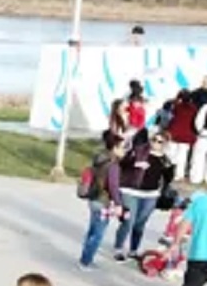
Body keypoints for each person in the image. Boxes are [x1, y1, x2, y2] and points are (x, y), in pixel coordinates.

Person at [111, 131, 171, 262]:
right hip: (131, 191)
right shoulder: (139, 152)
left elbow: (167, 179)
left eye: (160, 141)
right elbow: (123, 164)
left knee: (140, 224)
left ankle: (133, 250)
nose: (155, 143)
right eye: (154, 140)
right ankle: (118, 248)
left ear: (165, 144)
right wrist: (135, 164)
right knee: (128, 221)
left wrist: (169, 174)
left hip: (150, 195)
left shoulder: (165, 159)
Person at [78, 131, 123, 269]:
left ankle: (85, 257)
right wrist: (119, 203)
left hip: (93, 198)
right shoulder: (113, 165)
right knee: (98, 234)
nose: (124, 150)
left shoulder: (99, 158)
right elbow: (113, 186)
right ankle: (86, 261)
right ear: (115, 148)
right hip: (103, 200)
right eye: (122, 147)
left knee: (92, 229)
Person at [161, 87, 197, 179]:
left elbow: (168, 118)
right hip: (187, 135)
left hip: (173, 133)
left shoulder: (176, 106)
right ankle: (179, 174)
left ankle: (167, 172)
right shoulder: (193, 108)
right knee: (182, 157)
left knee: (170, 154)